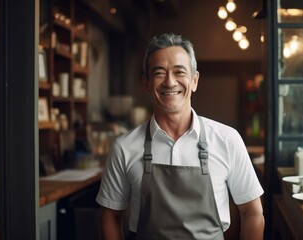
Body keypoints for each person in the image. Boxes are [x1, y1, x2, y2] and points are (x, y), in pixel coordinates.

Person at [96, 33, 264, 240]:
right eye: (159, 73)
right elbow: (110, 215)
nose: (170, 81)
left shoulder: (227, 139)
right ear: (146, 84)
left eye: (179, 72)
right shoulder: (124, 147)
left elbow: (252, 212)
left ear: (194, 81)